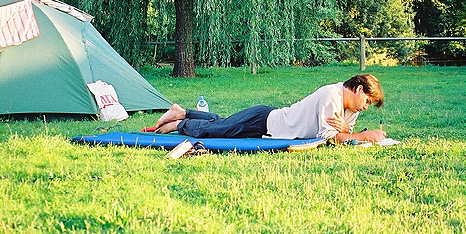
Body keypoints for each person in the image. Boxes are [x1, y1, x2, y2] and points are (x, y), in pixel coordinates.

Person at [147, 74, 386, 143]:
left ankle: (182, 113)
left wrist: (348, 131)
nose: (366, 107)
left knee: (222, 123)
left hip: (268, 123)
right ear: (358, 89)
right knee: (219, 130)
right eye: (367, 101)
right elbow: (332, 138)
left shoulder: (351, 109)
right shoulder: (331, 94)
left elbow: (344, 135)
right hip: (264, 121)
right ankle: (180, 122)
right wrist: (365, 136)